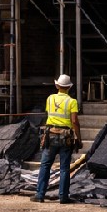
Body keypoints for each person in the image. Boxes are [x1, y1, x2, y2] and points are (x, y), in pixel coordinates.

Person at [35, 73, 81, 203]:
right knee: (64, 168)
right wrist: (79, 138)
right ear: (69, 88)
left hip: (51, 135)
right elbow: (74, 121)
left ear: (57, 85)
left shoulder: (50, 99)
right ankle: (63, 197)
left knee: (45, 165)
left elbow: (48, 114)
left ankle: (40, 195)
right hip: (65, 137)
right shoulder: (72, 102)